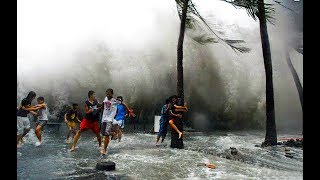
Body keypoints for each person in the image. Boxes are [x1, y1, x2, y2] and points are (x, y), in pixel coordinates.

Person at [100, 89, 130, 155]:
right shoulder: (105, 98)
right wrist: (98, 108)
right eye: (106, 94)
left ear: (112, 94)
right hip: (104, 119)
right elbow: (103, 105)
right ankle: (113, 134)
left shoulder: (115, 101)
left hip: (110, 119)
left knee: (108, 134)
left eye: (109, 94)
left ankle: (104, 149)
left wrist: (129, 111)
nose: (107, 95)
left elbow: (123, 104)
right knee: (103, 134)